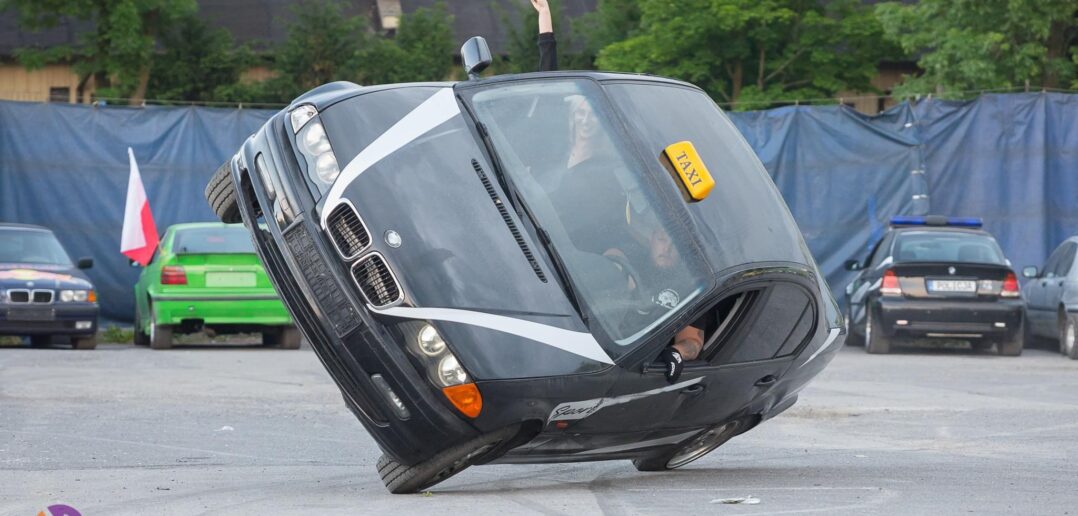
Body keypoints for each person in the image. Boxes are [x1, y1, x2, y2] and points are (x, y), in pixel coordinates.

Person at [529, 0, 704, 382]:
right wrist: (546, 26)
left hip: (575, 257)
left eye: (592, 115)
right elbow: (547, 87)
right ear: (571, 118)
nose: (586, 121)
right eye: (579, 114)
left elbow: (626, 237)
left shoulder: (615, 169)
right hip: (531, 232)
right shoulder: (553, 151)